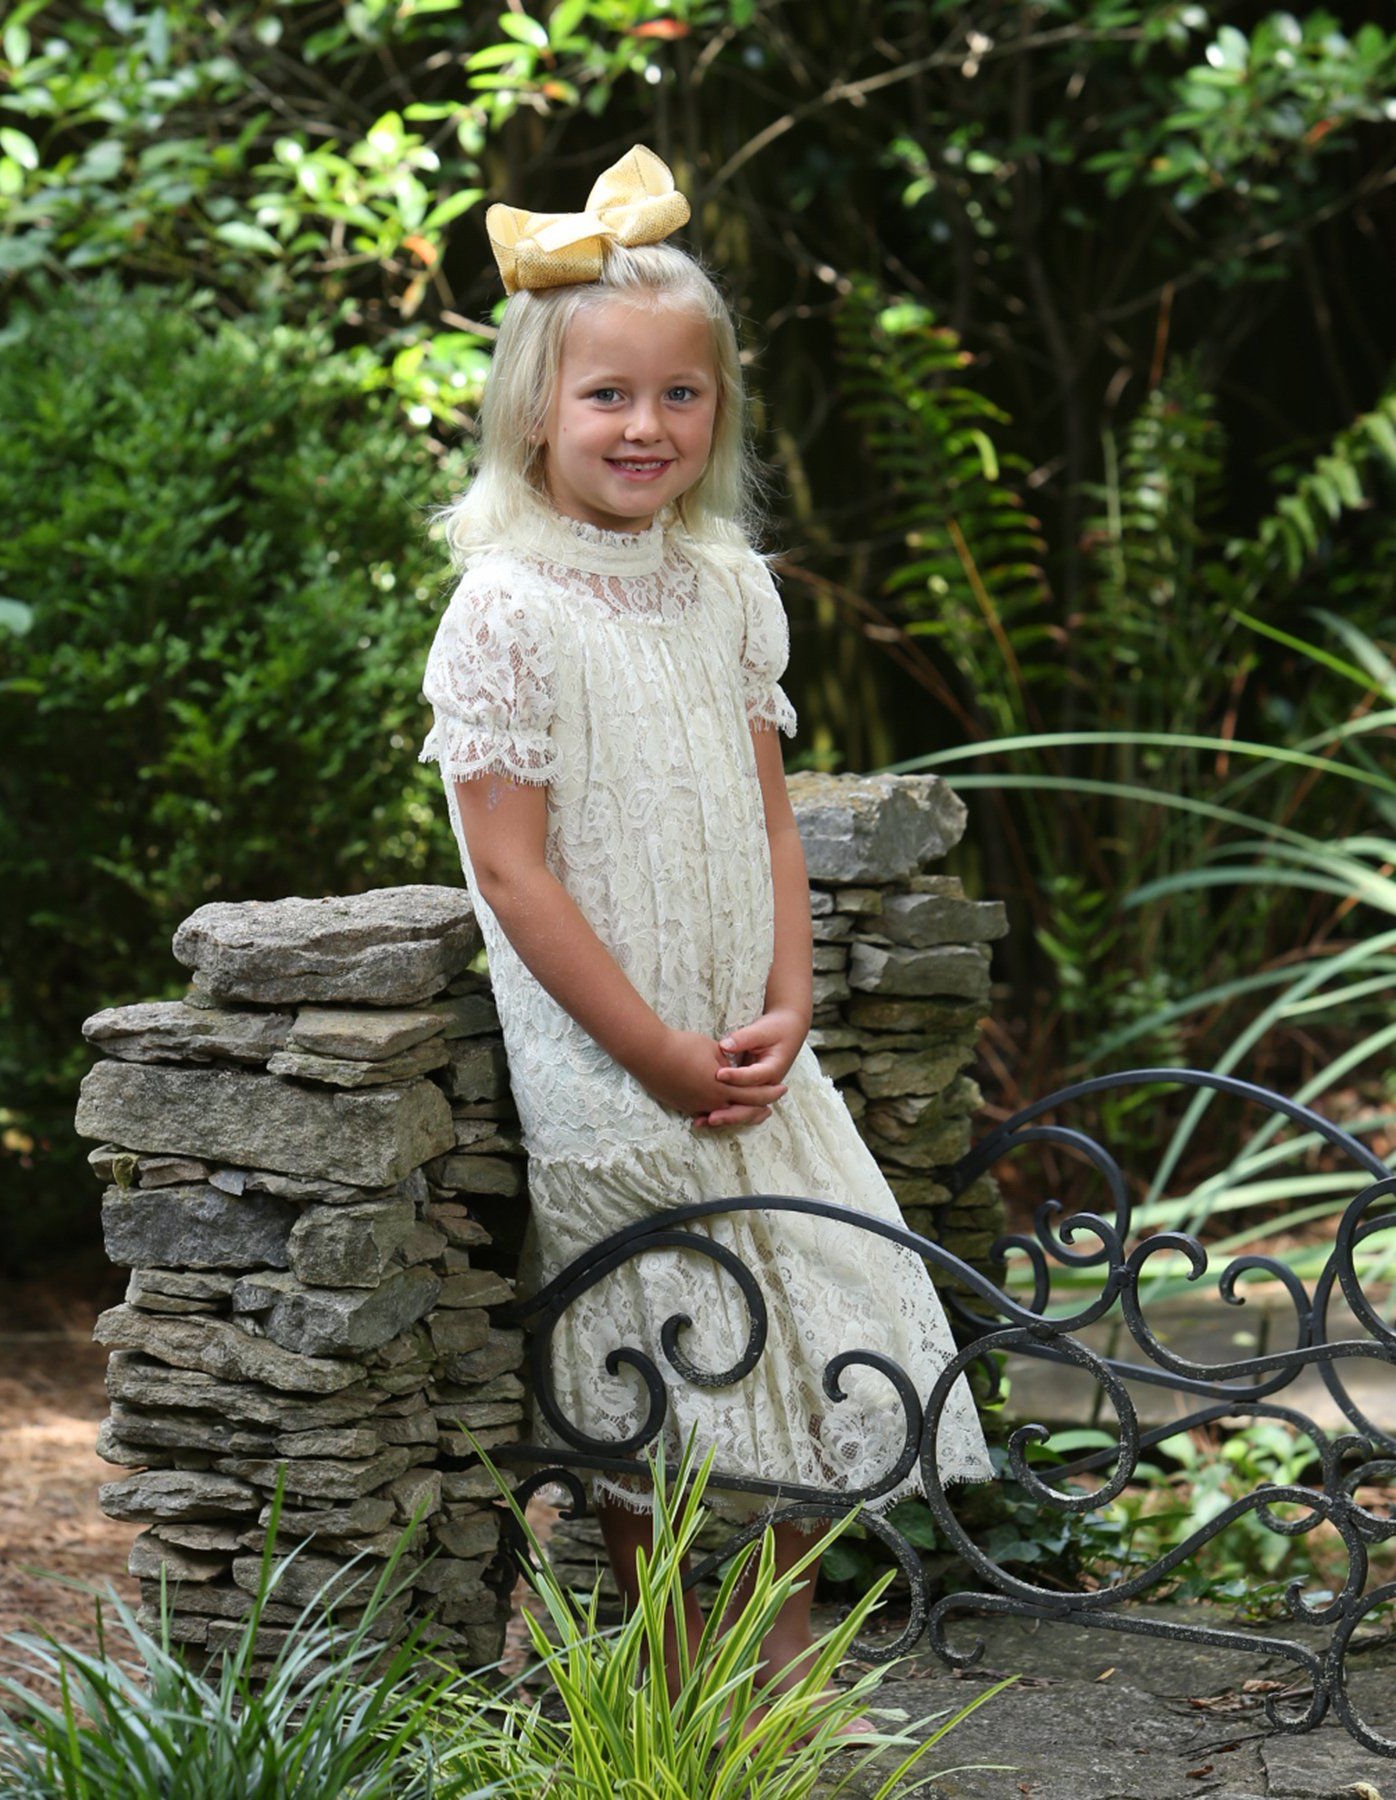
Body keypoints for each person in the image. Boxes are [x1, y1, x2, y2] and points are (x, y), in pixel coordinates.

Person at [417, 144, 993, 1735]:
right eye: (609, 397)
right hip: (620, 1059)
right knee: (655, 1361)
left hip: (747, 1034)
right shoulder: (508, 609)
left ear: (717, 415)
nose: (646, 428)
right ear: (537, 408)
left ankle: (779, 1658)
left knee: (828, 1320)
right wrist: (654, 1053)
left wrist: (793, 998)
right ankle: (673, 1680)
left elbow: (767, 808)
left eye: (682, 397)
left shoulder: (730, 587)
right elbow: (516, 877)